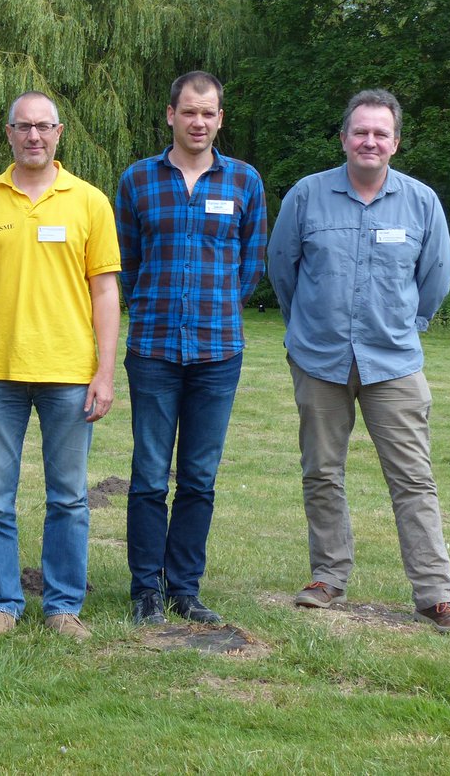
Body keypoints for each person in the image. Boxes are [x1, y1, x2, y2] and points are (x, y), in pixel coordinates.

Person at [267, 88, 450, 635]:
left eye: (381, 133)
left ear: (395, 143)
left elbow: (436, 276)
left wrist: (406, 325)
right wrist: (307, 325)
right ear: (343, 138)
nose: (370, 141)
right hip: (320, 359)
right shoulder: (307, 196)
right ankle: (327, 577)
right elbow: (283, 268)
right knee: (321, 472)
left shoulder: (421, 202)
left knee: (414, 479)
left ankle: (436, 595)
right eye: (360, 131)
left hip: (394, 362)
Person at [0, 91, 120, 640]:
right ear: (8, 133)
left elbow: (105, 291)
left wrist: (104, 372)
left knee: (68, 498)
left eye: (43, 126)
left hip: (69, 371)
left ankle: (63, 606)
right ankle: (2, 604)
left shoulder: (90, 202)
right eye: (23, 126)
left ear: (59, 133)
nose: (33, 136)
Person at [115, 71, 268, 626]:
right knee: (149, 476)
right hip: (153, 349)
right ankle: (145, 591)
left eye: (208, 113)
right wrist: (151, 303)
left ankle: (184, 588)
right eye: (189, 112)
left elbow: (251, 263)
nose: (198, 122)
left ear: (220, 119)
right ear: (171, 115)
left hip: (218, 351)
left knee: (199, 478)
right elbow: (126, 262)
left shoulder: (244, 181)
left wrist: (218, 306)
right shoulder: (137, 180)